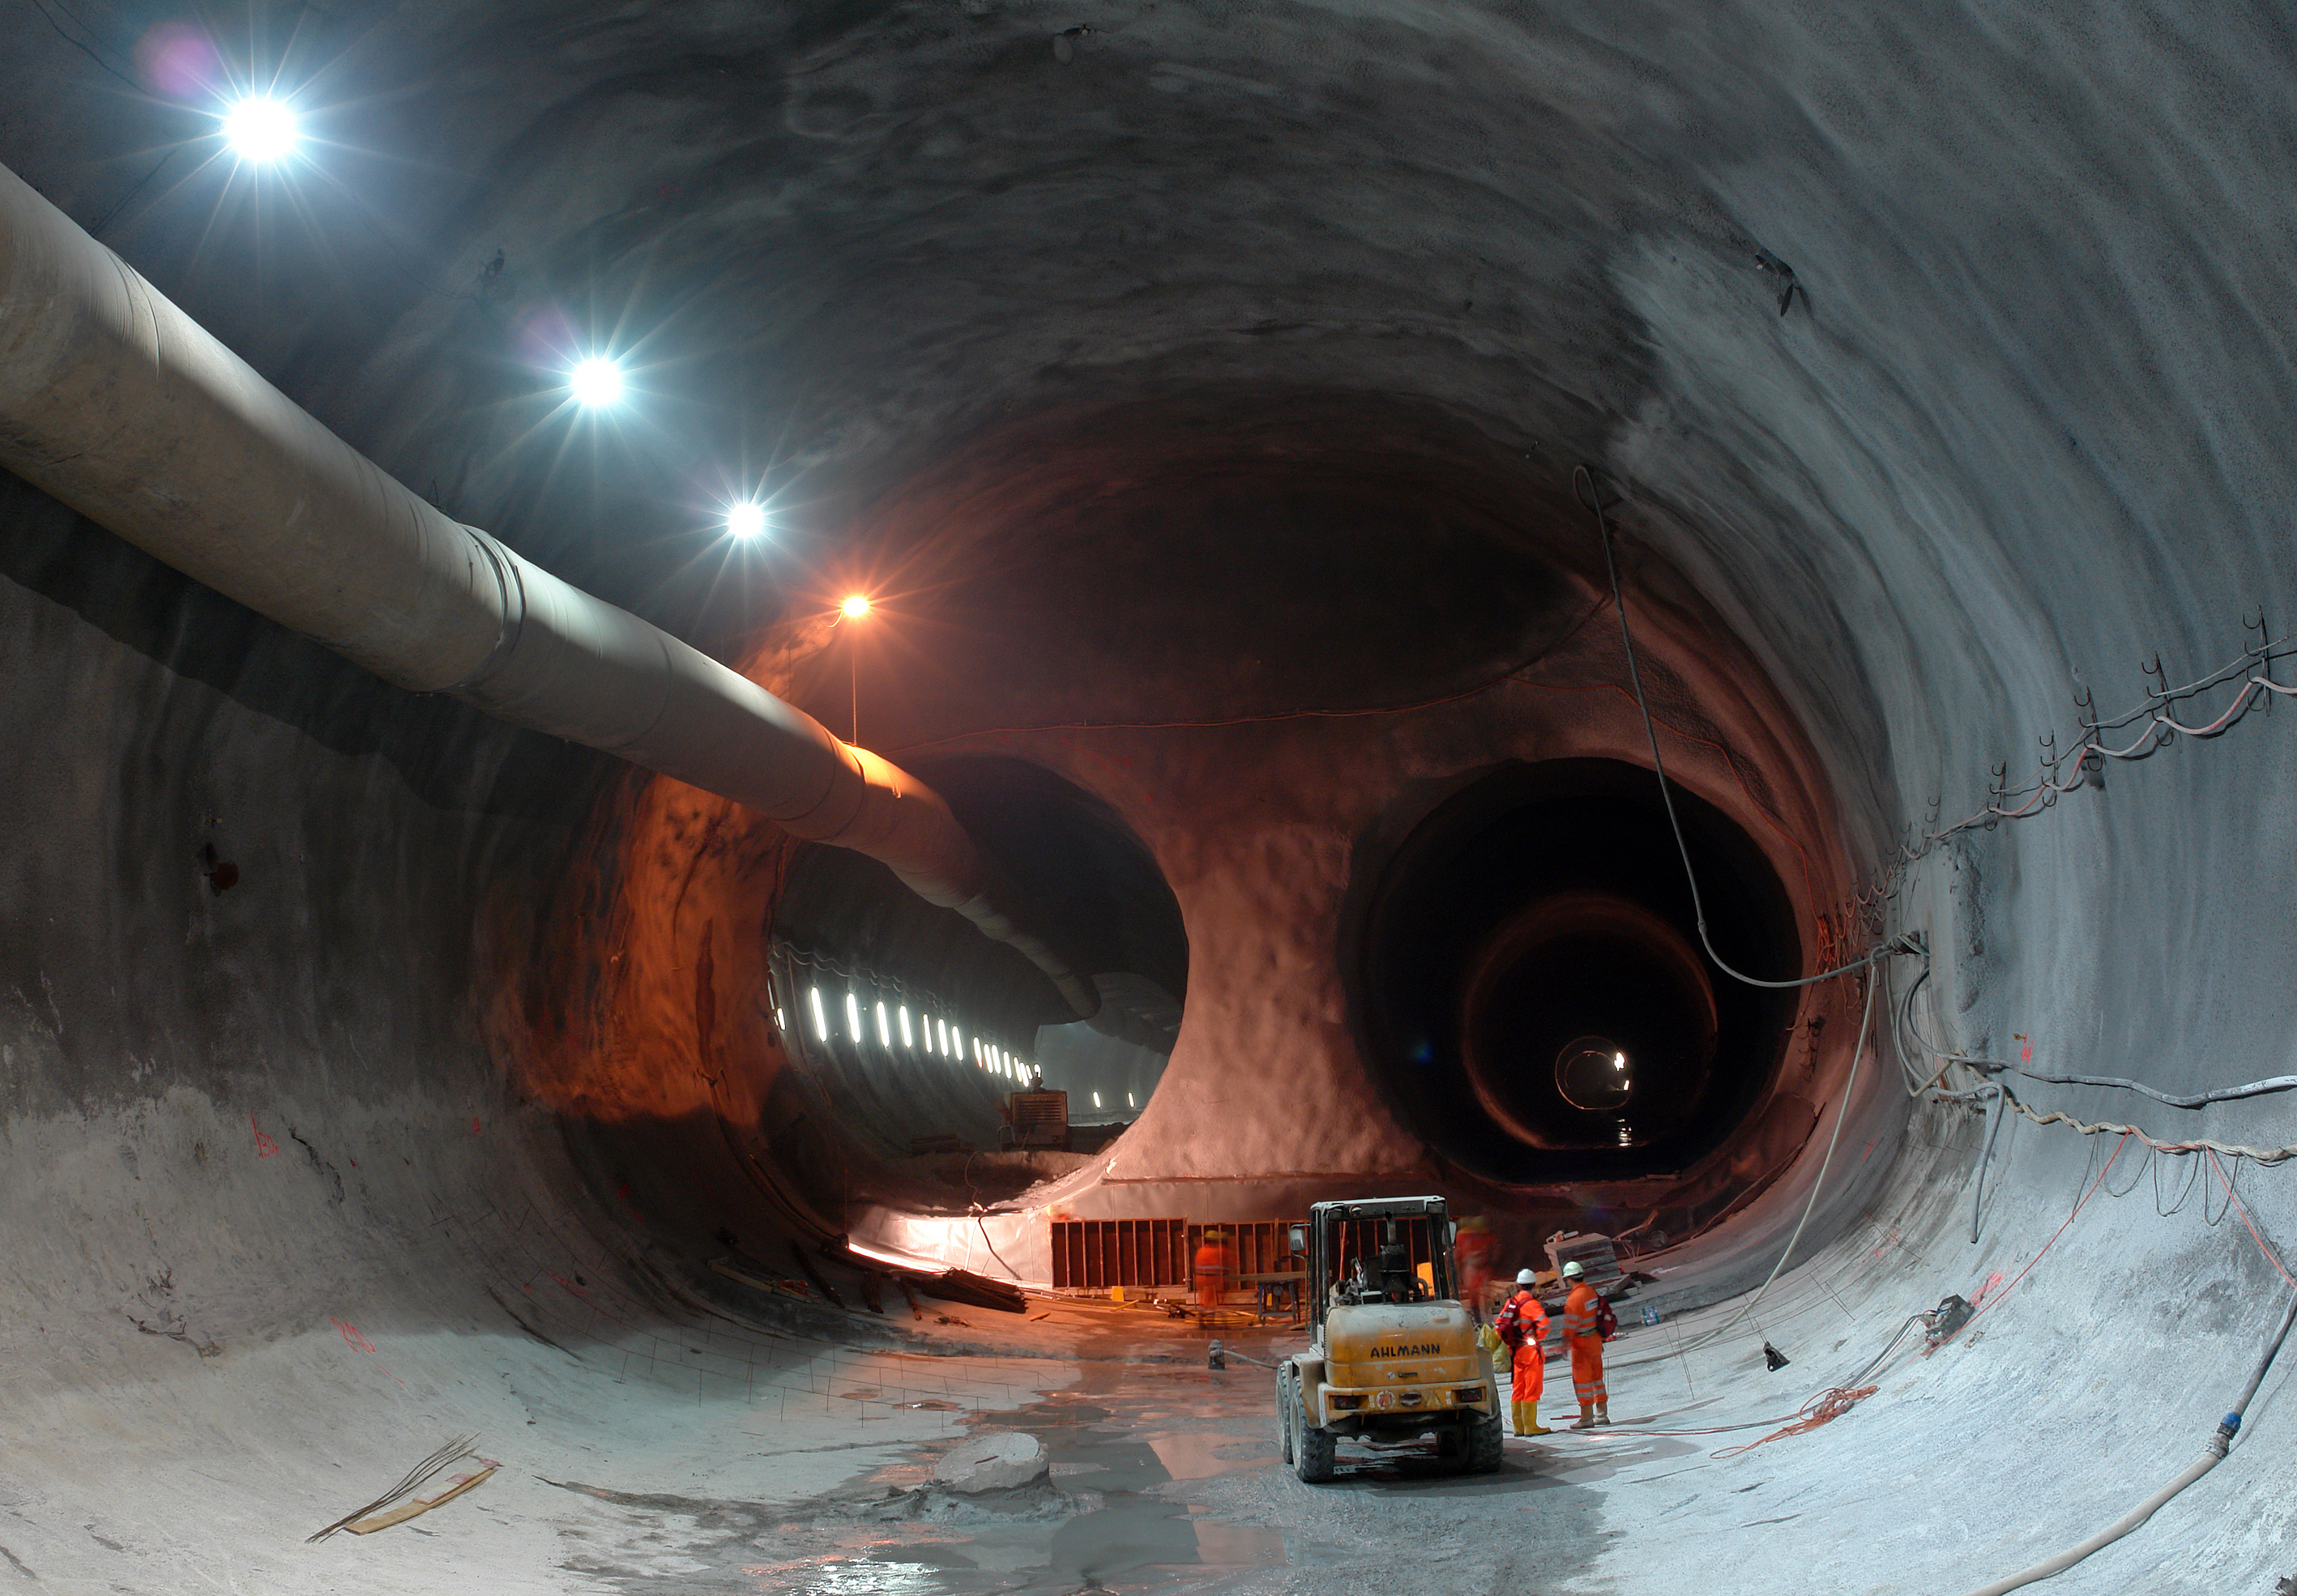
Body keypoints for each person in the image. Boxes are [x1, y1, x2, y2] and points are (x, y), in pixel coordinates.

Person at [1493, 1267, 1552, 1436]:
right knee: (1532, 1388)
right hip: (1531, 1351)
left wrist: (1511, 1343)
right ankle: (1531, 1427)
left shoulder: (1510, 1303)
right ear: (1533, 1285)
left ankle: (1518, 1428)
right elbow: (1544, 1324)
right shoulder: (1531, 1304)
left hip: (1516, 1352)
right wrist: (1537, 1338)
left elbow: (1498, 1326)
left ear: (1518, 1286)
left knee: (1518, 1388)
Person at [1561, 1260, 1609, 1428]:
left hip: (1581, 1344)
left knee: (1582, 1381)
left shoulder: (1573, 1299)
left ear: (1568, 1279)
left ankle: (1586, 1418)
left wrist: (1564, 1345)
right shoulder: (1591, 1292)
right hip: (1595, 1340)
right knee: (1597, 1379)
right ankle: (1602, 1414)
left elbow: (1570, 1327)